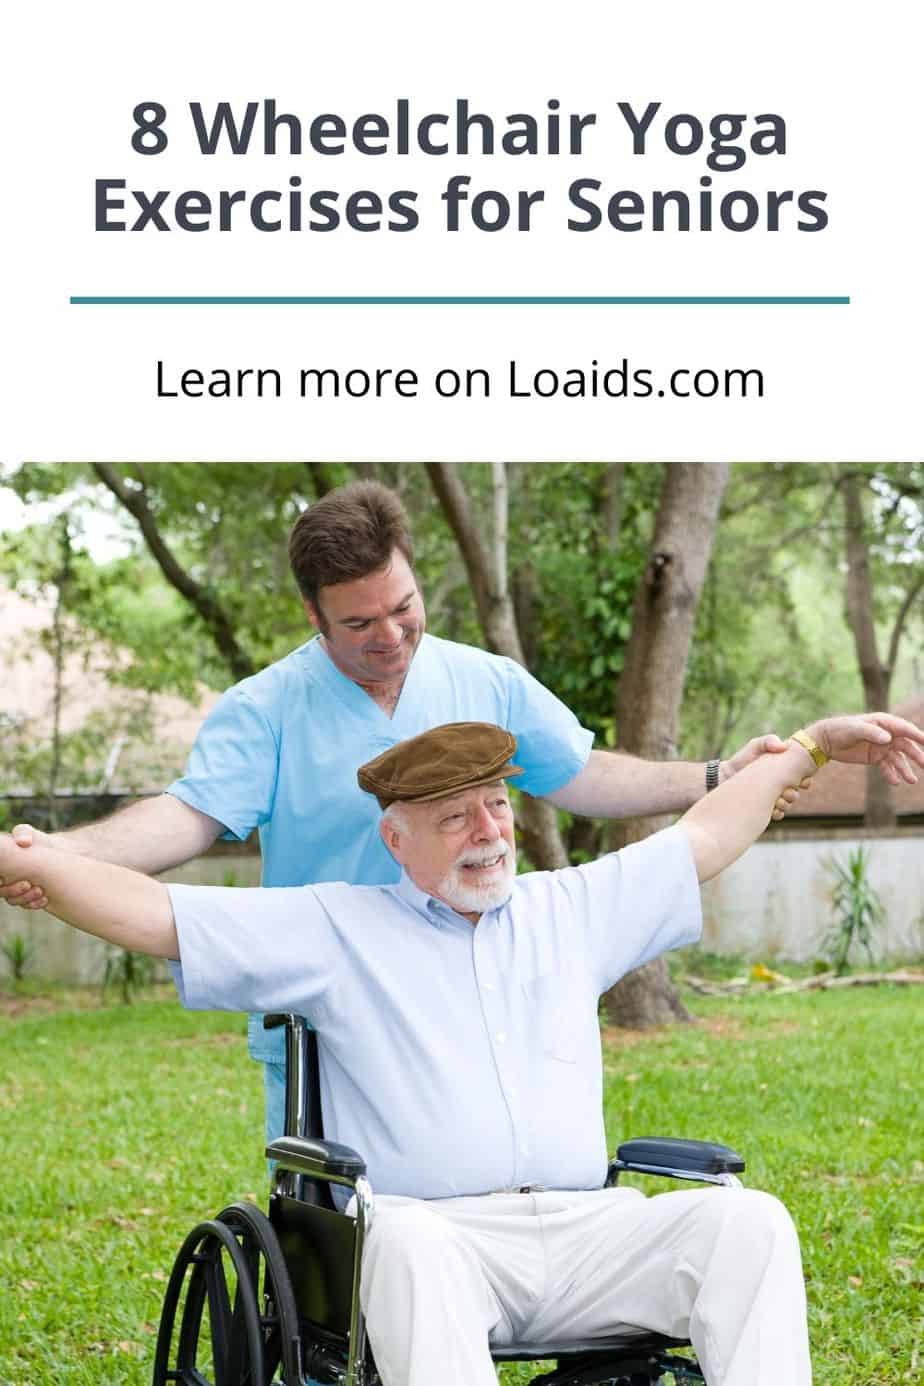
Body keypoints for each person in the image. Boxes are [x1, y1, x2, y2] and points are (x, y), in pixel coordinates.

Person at [3, 713, 923, 1386]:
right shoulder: (334, 929)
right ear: (395, 840)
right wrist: (40, 864)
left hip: (584, 1232)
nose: (488, 832)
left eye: (496, 807)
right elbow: (158, 916)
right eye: (456, 818)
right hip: (437, 1241)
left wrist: (811, 747)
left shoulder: (572, 909)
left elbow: (707, 834)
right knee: (402, 1240)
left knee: (746, 1221)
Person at [0, 481, 844, 1144]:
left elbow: (581, 776)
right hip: (332, 1005)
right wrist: (64, 858)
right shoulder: (267, 707)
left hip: (477, 992)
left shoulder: (486, 680)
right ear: (312, 614)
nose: (391, 635)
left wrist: (714, 775)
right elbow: (186, 819)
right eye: (359, 622)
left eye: (403, 608)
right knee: (344, 1245)